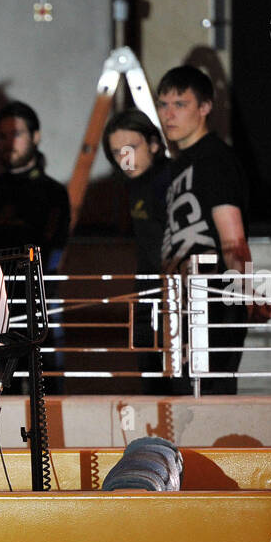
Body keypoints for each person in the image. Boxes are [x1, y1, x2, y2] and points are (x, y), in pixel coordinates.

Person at [157, 65, 271, 395]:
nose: (169, 114)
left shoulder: (215, 160)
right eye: (163, 104)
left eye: (180, 104)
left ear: (205, 107)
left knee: (208, 401)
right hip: (181, 301)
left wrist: (245, 291)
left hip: (212, 303)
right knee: (181, 404)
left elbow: (233, 239)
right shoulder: (181, 163)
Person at [0, 101, 70, 390]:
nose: (9, 142)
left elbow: (54, 253)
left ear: (36, 136)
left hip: (39, 313)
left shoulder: (54, 193)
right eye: (2, 135)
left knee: (46, 399)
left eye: (17, 133)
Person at [103, 108, 184, 393]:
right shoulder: (136, 183)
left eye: (131, 148)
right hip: (148, 290)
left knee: (177, 384)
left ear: (153, 143)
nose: (125, 159)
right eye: (117, 153)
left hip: (176, 295)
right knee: (152, 380)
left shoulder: (170, 180)